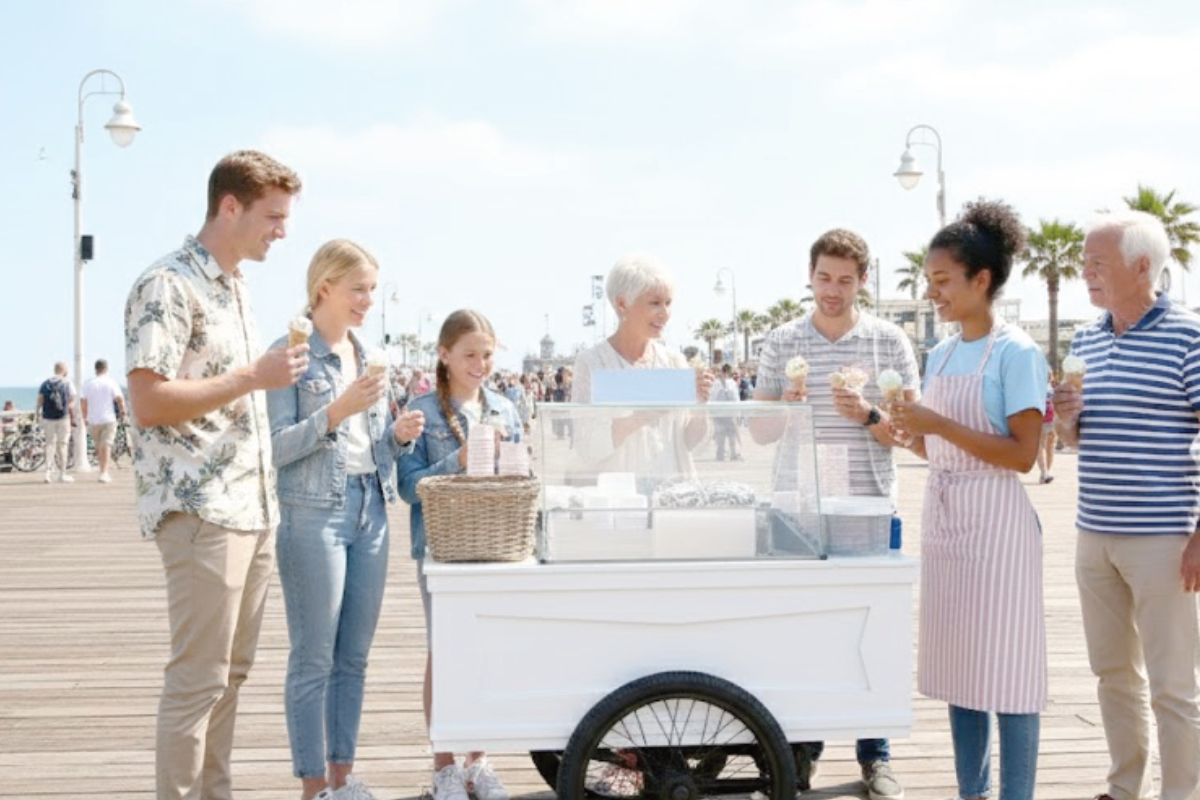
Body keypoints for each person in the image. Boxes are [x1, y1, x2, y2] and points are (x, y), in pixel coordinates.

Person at [124, 149, 304, 800]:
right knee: (199, 679)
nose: (282, 231)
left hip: (252, 510)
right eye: (273, 217)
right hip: (202, 512)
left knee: (231, 675)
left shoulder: (235, 288)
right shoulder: (167, 285)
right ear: (230, 207)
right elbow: (146, 402)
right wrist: (254, 376)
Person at [890, 200, 1047, 800]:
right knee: (961, 671)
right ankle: (970, 792)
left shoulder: (1017, 353)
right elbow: (942, 452)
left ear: (982, 280)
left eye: (942, 281)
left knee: (1008, 672)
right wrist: (902, 430)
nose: (933, 293)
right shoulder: (942, 353)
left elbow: (1022, 454)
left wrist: (938, 425)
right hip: (948, 516)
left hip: (999, 523)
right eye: (928, 281)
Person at [752, 228, 917, 800]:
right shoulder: (781, 341)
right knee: (801, 629)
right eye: (824, 278)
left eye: (845, 280)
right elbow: (756, 429)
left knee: (873, 629)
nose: (832, 290)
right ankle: (804, 748)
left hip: (869, 505)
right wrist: (787, 410)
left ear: (862, 281)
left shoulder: (888, 342)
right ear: (810, 274)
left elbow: (909, 434)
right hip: (797, 508)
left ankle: (876, 755)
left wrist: (871, 414)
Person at [266, 240, 425, 800]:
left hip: (372, 509)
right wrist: (338, 410)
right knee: (313, 656)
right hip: (314, 512)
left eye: (372, 289)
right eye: (358, 289)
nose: (367, 300)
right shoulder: (290, 355)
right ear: (323, 288)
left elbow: (372, 444)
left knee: (353, 657)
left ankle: (342, 777)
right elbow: (276, 448)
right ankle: (313, 788)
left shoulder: (369, 354)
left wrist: (397, 438)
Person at [1053, 210, 1200, 800]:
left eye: (1098, 263)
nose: (1086, 273)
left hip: (1165, 539)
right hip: (1095, 535)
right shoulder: (1085, 338)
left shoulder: (1189, 337)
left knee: (1173, 685)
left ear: (1143, 268)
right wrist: (1066, 418)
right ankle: (1123, 788)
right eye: (1084, 262)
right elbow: (1074, 439)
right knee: (1112, 675)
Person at [397, 310, 522, 800]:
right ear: (444, 355)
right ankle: (443, 763)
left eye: (487, 354)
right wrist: (460, 459)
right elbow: (408, 489)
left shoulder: (506, 408)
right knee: (444, 651)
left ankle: (478, 760)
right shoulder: (421, 410)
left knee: (485, 653)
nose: (480, 364)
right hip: (441, 550)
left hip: (494, 546)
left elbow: (520, 476)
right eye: (470, 354)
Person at [569, 254, 713, 477]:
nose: (665, 314)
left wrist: (701, 404)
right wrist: (639, 417)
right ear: (622, 303)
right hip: (622, 498)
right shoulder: (592, 363)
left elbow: (689, 442)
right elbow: (587, 447)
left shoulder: (674, 361)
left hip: (672, 496)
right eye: (655, 303)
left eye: (668, 303)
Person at [81, 358, 127, 483]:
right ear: (106, 369)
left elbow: (83, 402)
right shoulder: (111, 382)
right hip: (108, 418)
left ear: (95, 369)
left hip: (93, 419)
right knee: (106, 445)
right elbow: (119, 399)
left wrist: (84, 417)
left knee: (98, 446)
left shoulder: (88, 383)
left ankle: (102, 469)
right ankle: (104, 472)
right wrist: (123, 412)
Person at [35, 361, 77, 483]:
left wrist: (37, 414)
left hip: (48, 418)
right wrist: (73, 417)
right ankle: (62, 474)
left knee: (49, 444)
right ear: (65, 370)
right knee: (62, 445)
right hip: (63, 417)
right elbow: (71, 403)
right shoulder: (68, 383)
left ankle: (47, 473)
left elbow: (39, 400)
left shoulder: (45, 383)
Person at [712, 362, 742, 460]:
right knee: (729, 436)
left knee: (724, 436)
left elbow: (712, 398)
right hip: (727, 414)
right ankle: (729, 454)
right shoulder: (728, 384)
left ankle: (723, 454)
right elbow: (735, 399)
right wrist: (738, 414)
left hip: (722, 414)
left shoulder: (717, 384)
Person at [1037, 377, 1056, 484]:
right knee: (1039, 444)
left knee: (1050, 444)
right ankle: (1044, 472)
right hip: (1039, 419)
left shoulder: (1051, 388)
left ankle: (1046, 473)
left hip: (1052, 419)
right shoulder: (1034, 386)